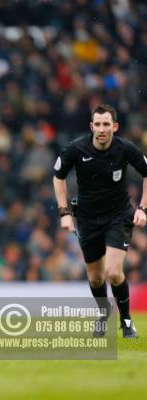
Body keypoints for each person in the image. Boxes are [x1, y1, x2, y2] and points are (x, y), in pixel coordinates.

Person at [53, 104, 146, 338]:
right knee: (95, 278)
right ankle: (104, 312)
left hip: (118, 215)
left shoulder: (125, 148)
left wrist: (143, 208)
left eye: (106, 124)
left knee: (114, 272)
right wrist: (64, 212)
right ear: (91, 126)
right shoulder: (75, 149)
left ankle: (126, 322)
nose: (102, 129)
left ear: (115, 127)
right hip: (87, 218)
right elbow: (58, 177)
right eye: (98, 124)